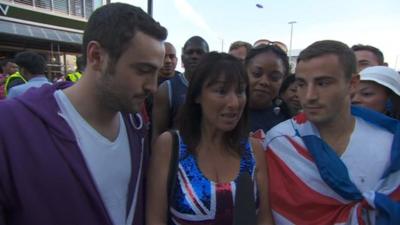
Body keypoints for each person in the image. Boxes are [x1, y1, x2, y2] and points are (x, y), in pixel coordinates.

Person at [0, 3, 166, 225]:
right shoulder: (12, 126)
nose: (153, 87)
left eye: (156, 72)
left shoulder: (136, 127)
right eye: (143, 70)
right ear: (96, 56)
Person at [265, 40, 400, 224]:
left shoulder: (392, 145)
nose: (309, 96)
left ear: (352, 84)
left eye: (323, 83)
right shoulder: (279, 142)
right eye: (302, 84)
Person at [147, 52, 274, 225]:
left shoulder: (254, 149)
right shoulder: (170, 146)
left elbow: (264, 218)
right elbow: (155, 220)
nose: (234, 103)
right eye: (221, 91)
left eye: (240, 91)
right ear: (197, 95)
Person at [152, 36, 209, 144]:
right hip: (177, 157)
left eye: (199, 52)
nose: (194, 56)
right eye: (190, 52)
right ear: (182, 58)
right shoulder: (167, 89)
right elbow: (157, 135)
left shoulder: (217, 89)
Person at [245, 44, 290, 137]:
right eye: (257, 74)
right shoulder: (227, 115)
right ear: (244, 72)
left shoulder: (289, 122)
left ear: (283, 80)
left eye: (274, 77)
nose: (264, 82)